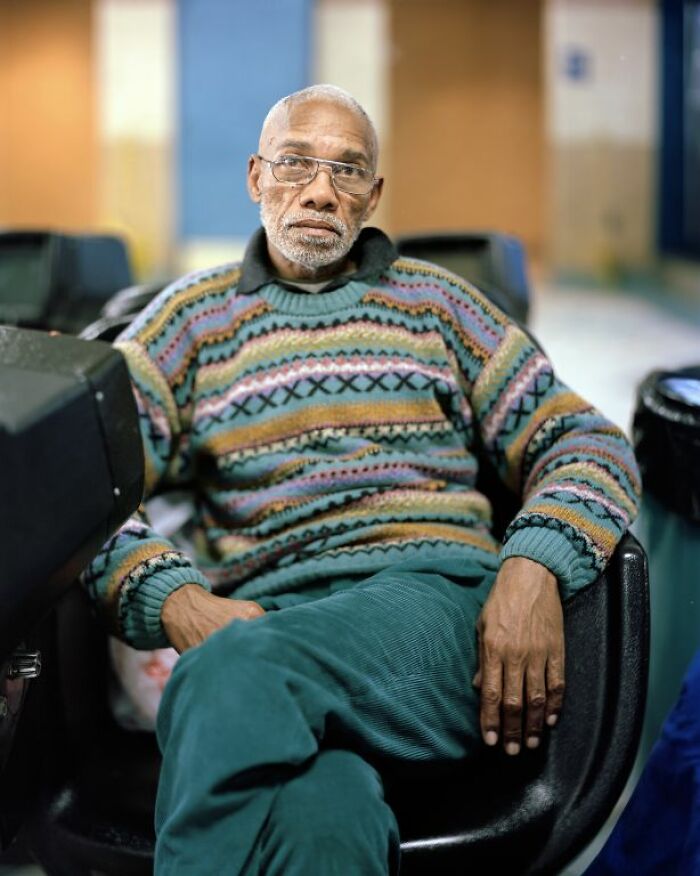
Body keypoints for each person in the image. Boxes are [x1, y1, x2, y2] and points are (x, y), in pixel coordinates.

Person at [84, 84, 641, 875]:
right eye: (296, 163)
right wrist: (170, 594)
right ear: (255, 177)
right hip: (271, 632)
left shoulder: (439, 304)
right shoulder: (190, 324)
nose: (320, 190)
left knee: (231, 669)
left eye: (348, 172)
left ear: (373, 195)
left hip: (431, 615)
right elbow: (81, 485)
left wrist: (533, 565)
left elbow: (584, 440)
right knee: (328, 820)